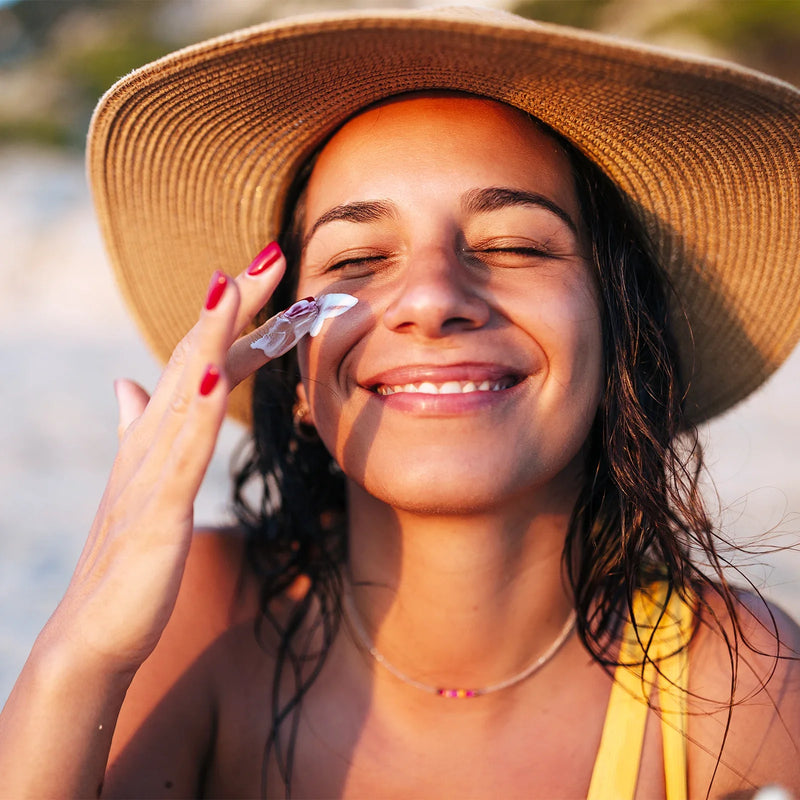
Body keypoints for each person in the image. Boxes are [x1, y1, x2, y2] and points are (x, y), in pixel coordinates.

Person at [2, 7, 800, 799]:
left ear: (618, 331)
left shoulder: (736, 681)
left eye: (513, 245)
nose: (430, 298)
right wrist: (83, 652)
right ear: (299, 376)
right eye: (356, 259)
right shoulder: (199, 619)